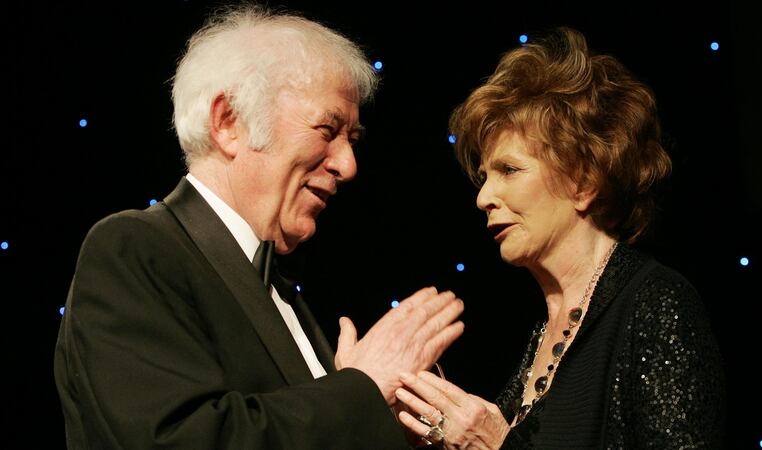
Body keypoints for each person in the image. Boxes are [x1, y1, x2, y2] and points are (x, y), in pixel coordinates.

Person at [53, 5, 465, 449]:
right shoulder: (133, 249)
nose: (348, 165)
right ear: (229, 122)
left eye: (353, 140)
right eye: (328, 129)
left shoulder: (278, 282)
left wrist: (376, 421)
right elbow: (181, 441)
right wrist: (360, 390)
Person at [394, 27, 725, 449]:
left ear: (584, 182)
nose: (483, 197)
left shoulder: (656, 304)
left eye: (509, 170)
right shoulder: (545, 331)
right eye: (483, 177)